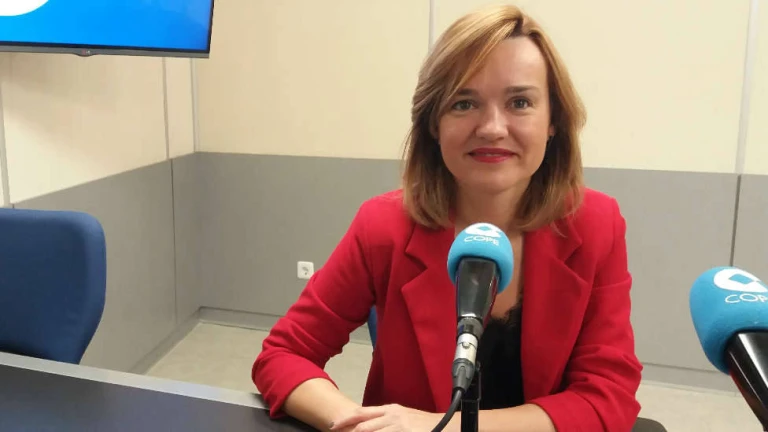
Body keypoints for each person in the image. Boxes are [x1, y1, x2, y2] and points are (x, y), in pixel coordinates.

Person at [252, 4, 642, 432]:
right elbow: (283, 356)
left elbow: (607, 397)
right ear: (434, 124)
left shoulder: (596, 224)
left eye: (520, 102)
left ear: (554, 121)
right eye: (464, 103)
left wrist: (440, 427)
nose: (492, 127)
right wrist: (357, 423)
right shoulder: (382, 227)